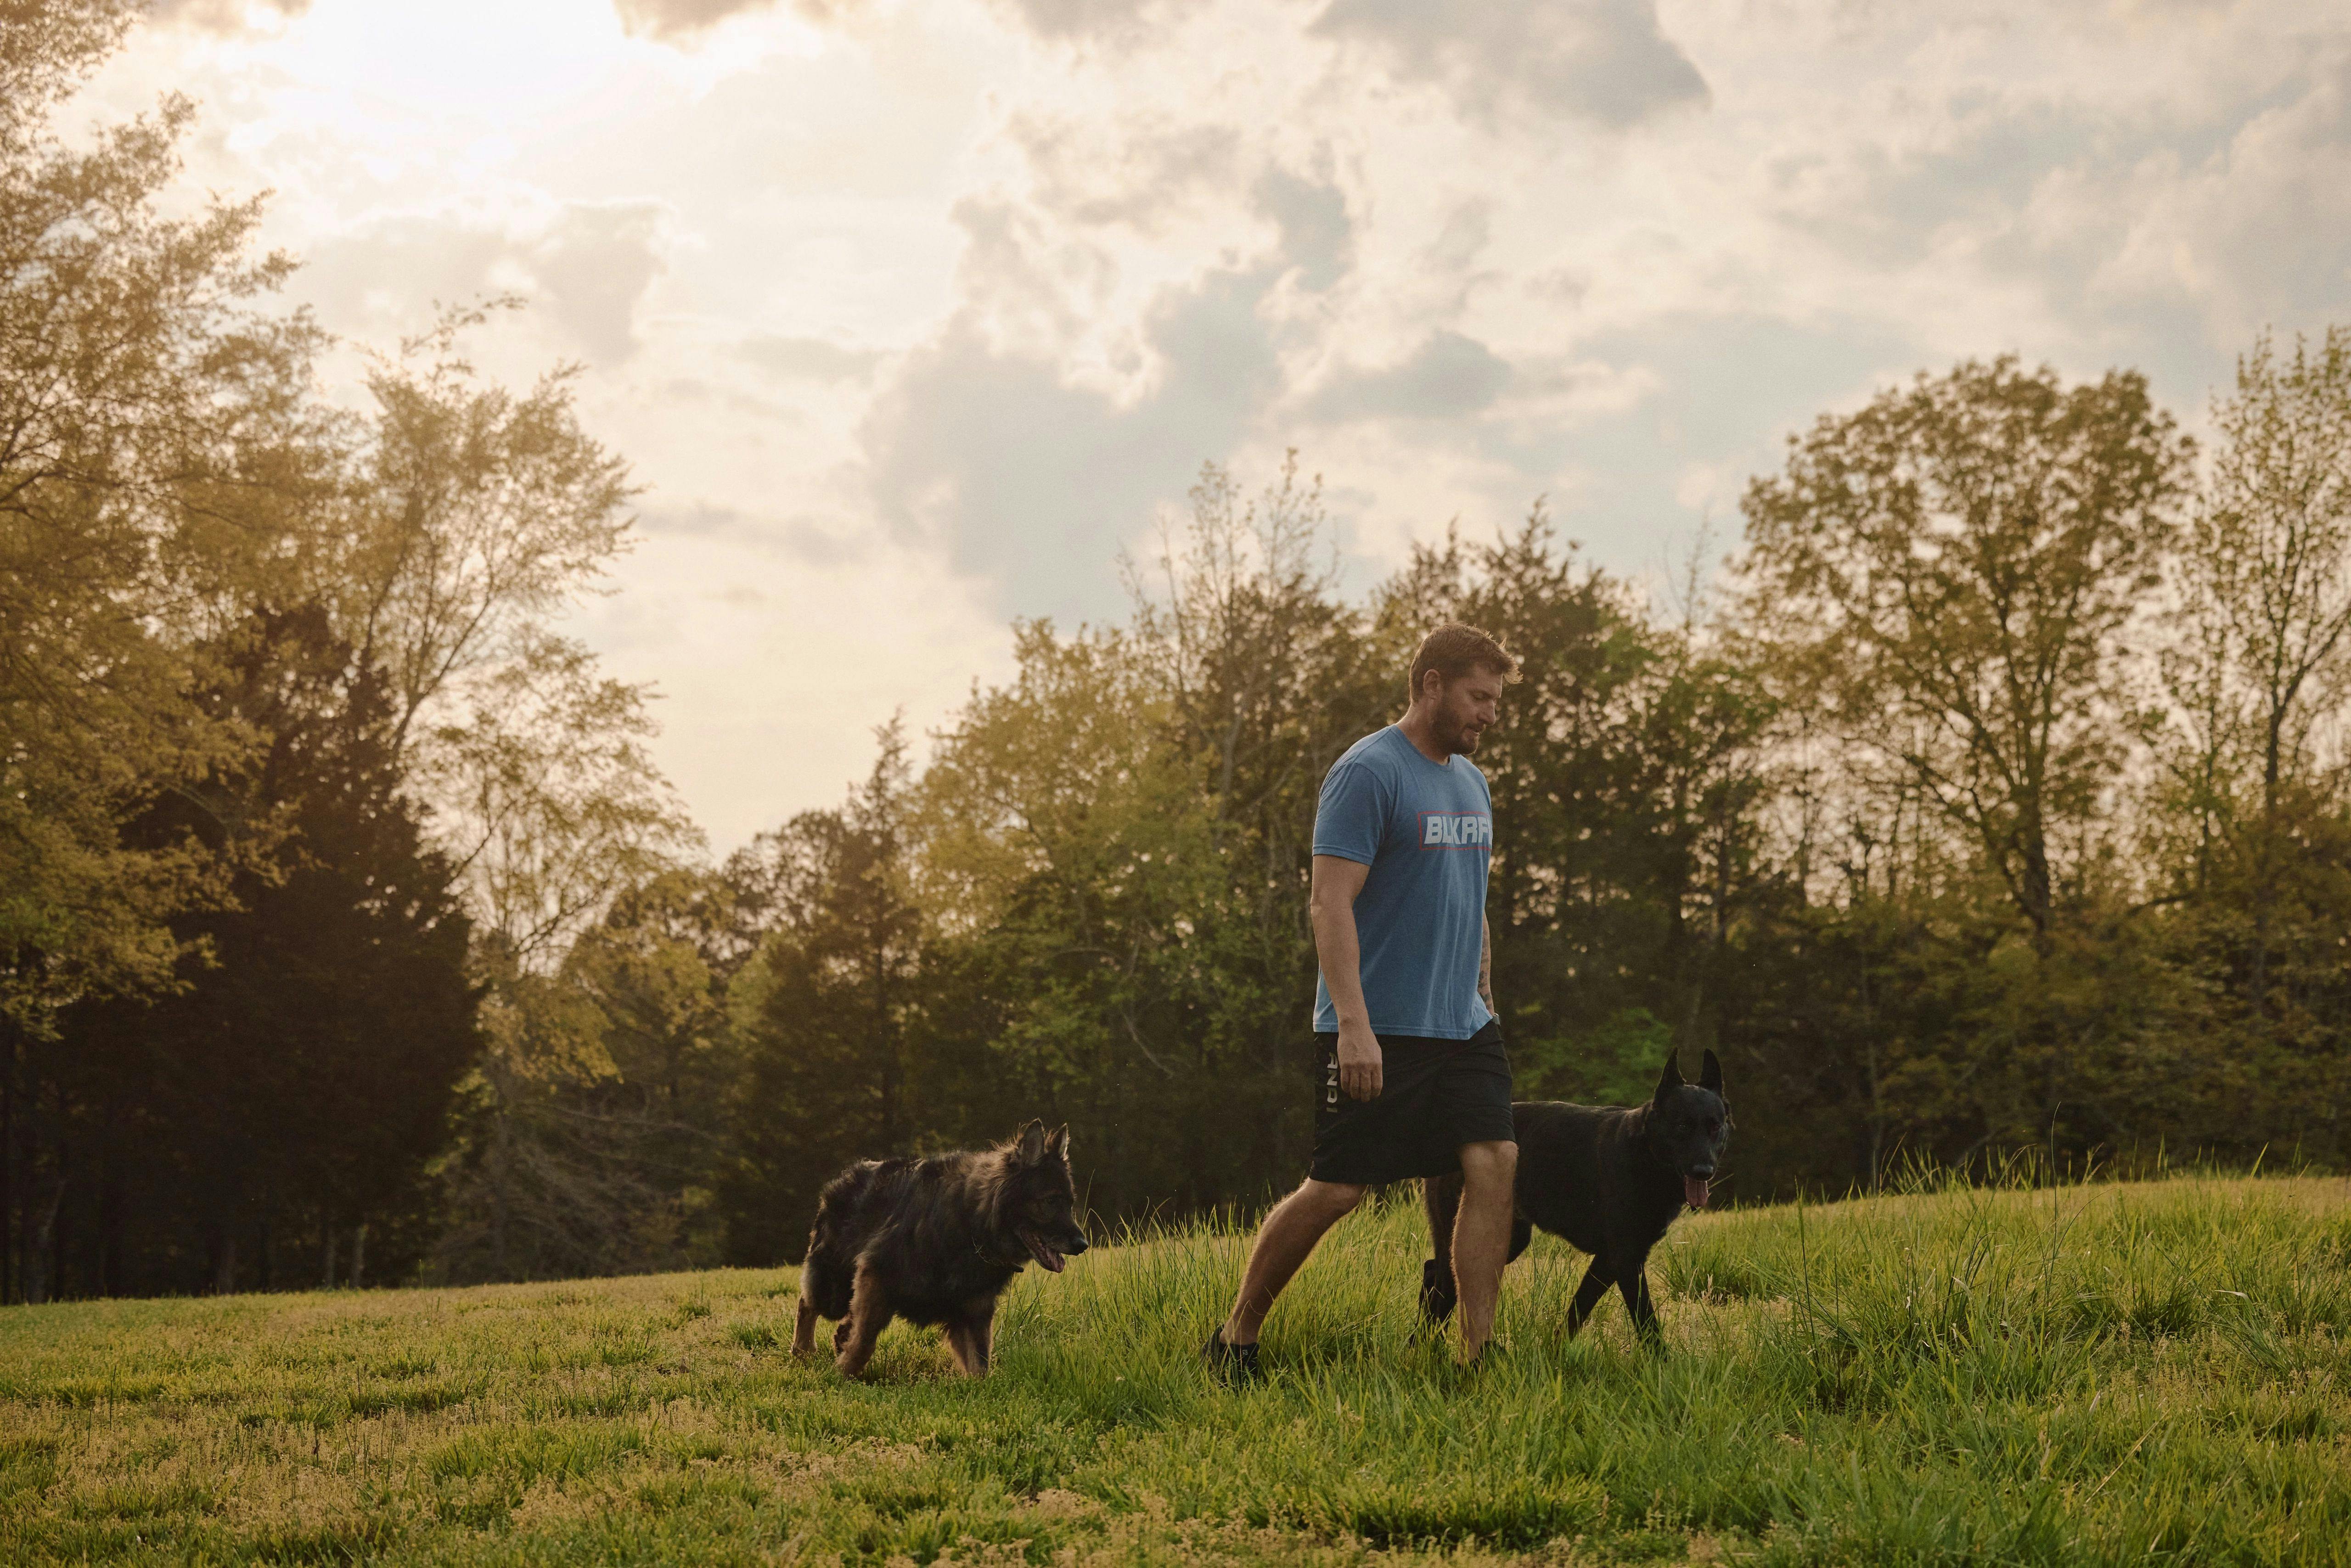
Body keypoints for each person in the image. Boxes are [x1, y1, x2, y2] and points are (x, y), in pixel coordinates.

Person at [1205, 623, 1519, 1376]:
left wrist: (1483, 988)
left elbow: (1467, 896)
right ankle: (1237, 1336)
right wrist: (1353, 1026)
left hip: (1464, 1025)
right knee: (1339, 1188)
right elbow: (1328, 903)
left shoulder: (1472, 782)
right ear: (1432, 684)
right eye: (1479, 698)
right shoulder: (1368, 773)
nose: (1490, 715)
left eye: (1497, 702)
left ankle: (1480, 1351)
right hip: (1379, 1026)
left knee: (1495, 1160)